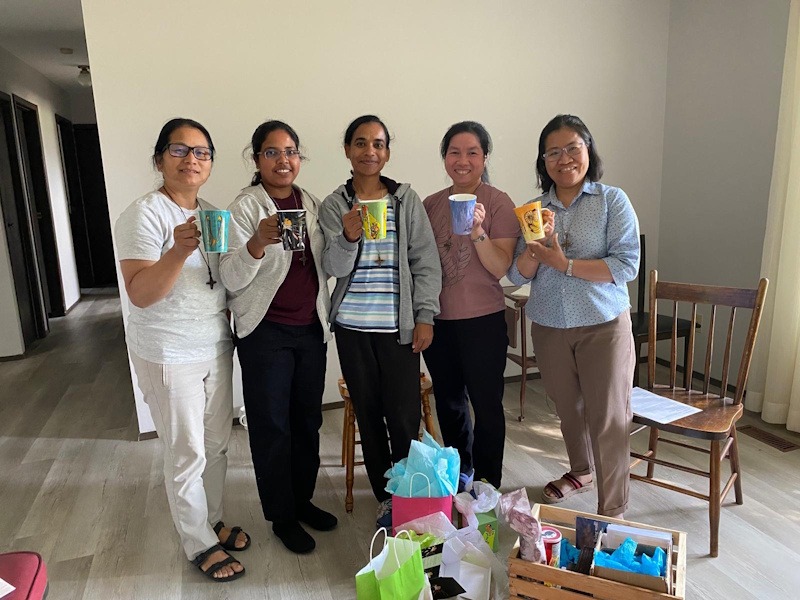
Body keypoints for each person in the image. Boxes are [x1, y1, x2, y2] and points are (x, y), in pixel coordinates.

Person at [115, 118, 248, 582]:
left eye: (202, 152)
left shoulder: (213, 213)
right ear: (159, 160)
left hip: (214, 343)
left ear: (209, 164)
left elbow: (224, 280)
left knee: (216, 444)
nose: (192, 159)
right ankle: (198, 542)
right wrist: (176, 252)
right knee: (186, 451)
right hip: (168, 350)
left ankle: (211, 520)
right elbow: (140, 294)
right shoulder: (144, 214)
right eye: (179, 149)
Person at [507, 114, 640, 517]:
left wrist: (564, 264)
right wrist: (537, 249)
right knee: (568, 410)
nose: (564, 159)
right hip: (549, 325)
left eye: (572, 148)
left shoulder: (611, 200)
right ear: (543, 161)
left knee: (608, 418)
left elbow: (626, 264)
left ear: (588, 150)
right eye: (553, 152)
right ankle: (581, 471)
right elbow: (516, 275)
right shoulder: (534, 210)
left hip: (603, 325)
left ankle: (612, 511)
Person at [219, 120, 336, 555]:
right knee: (272, 425)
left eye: (290, 152)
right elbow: (230, 278)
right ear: (256, 159)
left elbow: (322, 265)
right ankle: (282, 516)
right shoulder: (245, 207)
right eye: (272, 152)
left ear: (299, 158)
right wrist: (255, 244)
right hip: (265, 332)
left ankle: (302, 500)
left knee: (307, 421)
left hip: (309, 329)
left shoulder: (311, 203)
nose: (283, 160)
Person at [318, 115, 441, 526]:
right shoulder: (334, 205)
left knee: (403, 417)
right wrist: (348, 238)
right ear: (347, 150)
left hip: (398, 329)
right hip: (352, 328)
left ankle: (409, 493)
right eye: (360, 143)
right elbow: (332, 267)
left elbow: (425, 262)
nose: (369, 151)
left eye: (378, 144)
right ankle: (386, 498)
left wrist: (425, 316)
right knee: (368, 417)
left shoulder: (406, 200)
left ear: (387, 152)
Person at [422, 121, 521, 490]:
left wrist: (478, 230)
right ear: (445, 158)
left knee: (486, 404)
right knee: (449, 403)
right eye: (454, 152)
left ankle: (487, 483)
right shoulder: (430, 204)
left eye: (472, 152)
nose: (462, 160)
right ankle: (460, 475)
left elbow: (499, 267)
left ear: (484, 158)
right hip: (439, 321)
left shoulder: (498, 202)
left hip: (484, 320)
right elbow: (422, 265)